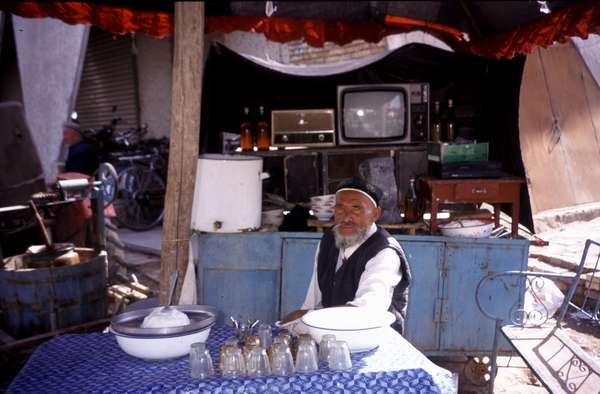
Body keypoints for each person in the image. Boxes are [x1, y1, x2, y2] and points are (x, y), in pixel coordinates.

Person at [282, 177, 411, 334]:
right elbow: (313, 301)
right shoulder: (328, 241)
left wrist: (307, 316)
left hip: (374, 342)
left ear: (375, 214)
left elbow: (366, 312)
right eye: (340, 209)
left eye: (356, 208)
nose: (346, 217)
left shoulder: (385, 252)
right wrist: (298, 325)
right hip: (332, 336)